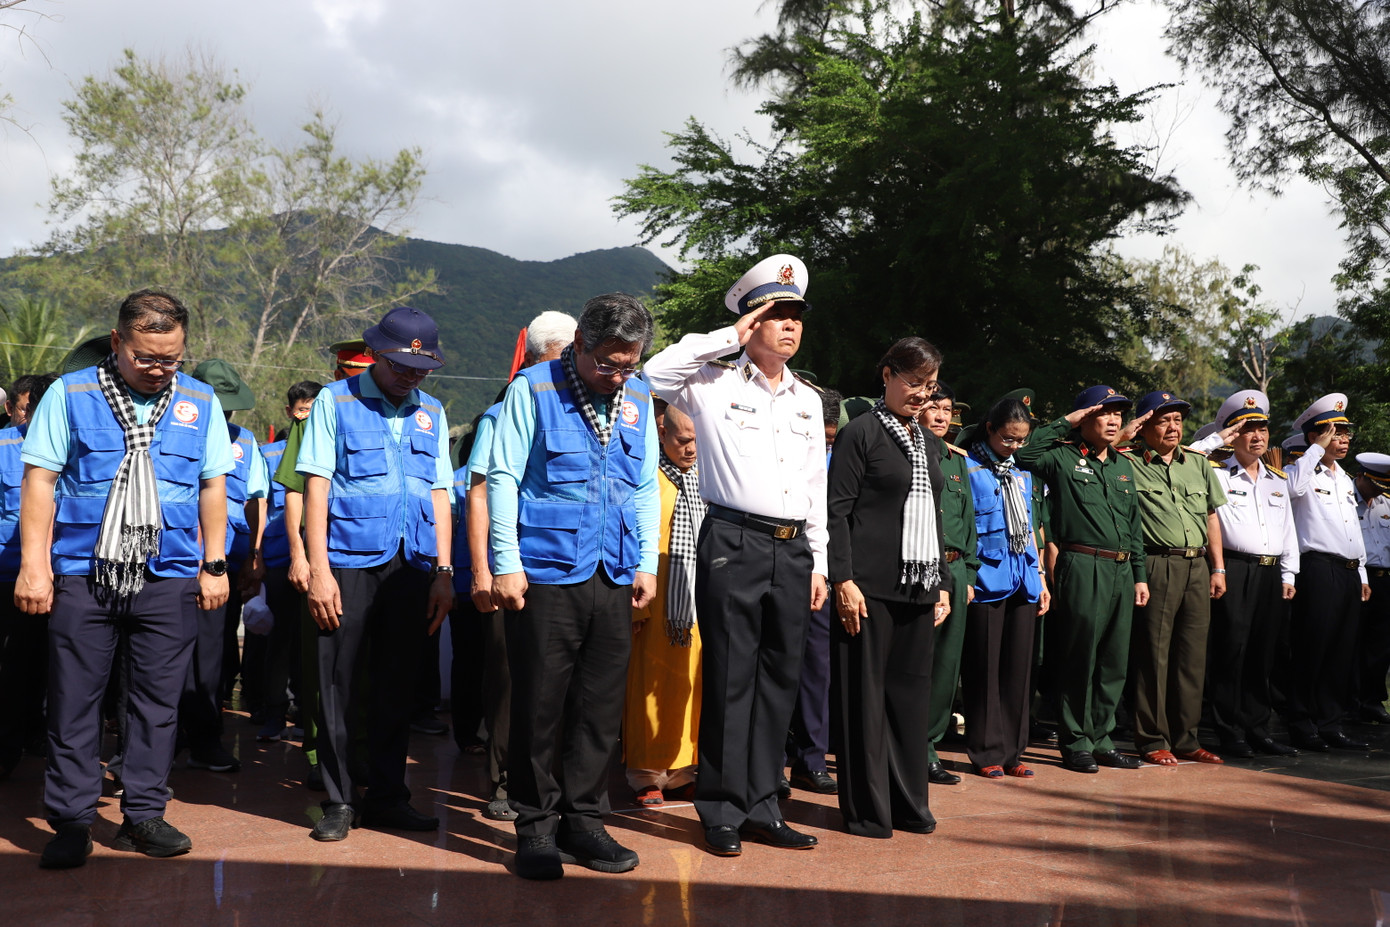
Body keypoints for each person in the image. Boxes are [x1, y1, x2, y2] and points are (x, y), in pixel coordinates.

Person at [19, 289, 233, 868]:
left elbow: (213, 484)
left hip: (167, 573)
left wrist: (214, 565)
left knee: (157, 702)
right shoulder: (71, 393)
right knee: (74, 701)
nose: (160, 369)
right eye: (146, 357)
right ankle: (70, 819)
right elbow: (40, 480)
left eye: (172, 357)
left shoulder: (200, 400)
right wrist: (34, 566)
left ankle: (143, 813)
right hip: (84, 572)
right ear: (117, 343)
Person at [644, 254, 828, 859]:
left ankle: (762, 804)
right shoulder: (712, 382)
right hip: (733, 542)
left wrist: (820, 561)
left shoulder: (808, 399)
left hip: (792, 548)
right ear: (752, 321)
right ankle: (721, 808)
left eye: (797, 315)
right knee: (729, 678)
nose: (790, 326)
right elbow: (654, 368)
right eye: (777, 314)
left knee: (778, 680)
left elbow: (814, 487)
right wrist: (730, 337)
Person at [489, 294, 657, 880]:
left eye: (628, 364)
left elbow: (643, 487)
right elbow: (503, 476)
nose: (617, 376)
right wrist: (505, 563)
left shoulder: (637, 395)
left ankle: (585, 822)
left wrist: (647, 563)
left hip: (612, 570)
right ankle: (535, 828)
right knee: (539, 705)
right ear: (580, 344)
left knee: (599, 708)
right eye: (607, 364)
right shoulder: (532, 389)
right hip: (544, 571)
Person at [298, 306, 455, 841]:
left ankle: (389, 796)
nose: (410, 377)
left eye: (421, 369)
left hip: (413, 566)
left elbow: (440, 493)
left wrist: (444, 570)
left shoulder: (431, 410)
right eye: (400, 366)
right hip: (347, 563)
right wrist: (319, 569)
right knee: (340, 685)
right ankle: (341, 799)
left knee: (397, 687)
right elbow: (315, 486)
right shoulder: (334, 401)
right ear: (377, 355)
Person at [828, 337, 949, 837]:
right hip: (870, 587)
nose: (922, 395)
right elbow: (836, 511)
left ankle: (907, 802)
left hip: (918, 590)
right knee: (865, 700)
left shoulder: (929, 442)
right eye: (914, 383)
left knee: (909, 700)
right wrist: (843, 580)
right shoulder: (861, 433)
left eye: (930, 386)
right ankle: (867, 808)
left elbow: (936, 515)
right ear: (887, 376)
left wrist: (940, 583)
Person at [460, 309, 575, 822]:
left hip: (564, 568)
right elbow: (481, 488)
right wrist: (484, 572)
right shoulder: (510, 405)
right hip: (516, 567)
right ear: (540, 356)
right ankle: (505, 781)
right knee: (510, 677)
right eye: (566, 352)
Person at [1014, 386, 1149, 773]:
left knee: (1113, 660)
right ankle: (1075, 741)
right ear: (1084, 417)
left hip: (1121, 569)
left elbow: (1133, 524)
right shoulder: (1060, 456)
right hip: (1082, 563)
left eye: (1118, 415)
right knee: (1080, 656)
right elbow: (1024, 454)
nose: (1113, 421)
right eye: (1104, 413)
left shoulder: (1122, 464)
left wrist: (1139, 574)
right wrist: (1064, 422)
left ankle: (1101, 738)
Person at [1122, 391, 1228, 766]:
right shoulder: (1129, 462)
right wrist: (1125, 435)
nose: (1173, 427)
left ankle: (1187, 737)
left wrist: (1218, 567)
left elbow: (1211, 516)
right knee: (1153, 655)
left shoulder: (1197, 464)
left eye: (1178, 420)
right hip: (1156, 563)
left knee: (1191, 656)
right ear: (1144, 426)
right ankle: (1152, 739)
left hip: (1197, 566)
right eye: (1164, 420)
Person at [179, 359, 268, 773]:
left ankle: (205, 740)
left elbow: (256, 500)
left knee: (212, 657)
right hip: (172, 559)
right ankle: (151, 746)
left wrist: (254, 556)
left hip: (221, 566)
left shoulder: (245, 442)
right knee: (158, 655)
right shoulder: (175, 426)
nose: (226, 416)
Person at [1203, 390, 1300, 758]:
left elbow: (1286, 529)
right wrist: (1217, 440)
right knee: (1231, 650)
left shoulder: (1277, 479)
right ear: (1232, 434)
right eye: (1247, 430)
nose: (1258, 437)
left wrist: (1290, 574)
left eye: (1262, 429)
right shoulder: (1215, 472)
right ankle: (1228, 729)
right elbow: (1190, 455)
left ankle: (1257, 727)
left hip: (1271, 571)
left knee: (1263, 652)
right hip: (1235, 568)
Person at [961, 397, 1049, 778]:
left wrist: (1042, 577)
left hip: (1024, 577)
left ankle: (1014, 751)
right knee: (984, 667)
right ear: (990, 429)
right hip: (986, 578)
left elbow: (1031, 528)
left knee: (1019, 668)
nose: (1014, 447)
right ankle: (987, 751)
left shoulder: (1023, 475)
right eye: (1008, 439)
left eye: (1021, 441)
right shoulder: (967, 467)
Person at [624, 400, 704, 804]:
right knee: (647, 688)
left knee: (691, 687)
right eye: (684, 440)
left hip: (695, 603)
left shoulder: (703, 479)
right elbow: (639, 542)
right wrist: (640, 606)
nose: (691, 449)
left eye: (696, 441)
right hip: (657, 603)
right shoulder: (649, 478)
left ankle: (681, 770)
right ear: (662, 434)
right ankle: (646, 775)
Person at [1284, 393, 1371, 752]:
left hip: (1349, 571)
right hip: (1318, 568)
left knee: (1341, 650)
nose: (1344, 439)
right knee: (1313, 648)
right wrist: (1315, 452)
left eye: (1346, 433)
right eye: (1335, 433)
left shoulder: (1345, 479)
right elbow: (1293, 489)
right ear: (1315, 437)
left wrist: (1362, 573)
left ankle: (1330, 723)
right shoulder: (1300, 469)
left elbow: (1353, 528)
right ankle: (1302, 723)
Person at [783, 385, 845, 797]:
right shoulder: (782, 446)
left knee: (816, 671)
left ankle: (811, 760)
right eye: (819, 438)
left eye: (829, 439)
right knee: (773, 668)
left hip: (821, 570)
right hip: (778, 561)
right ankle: (770, 766)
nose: (823, 446)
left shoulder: (845, 457)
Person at [918, 383, 979, 786]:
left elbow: (970, 523)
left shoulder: (958, 462)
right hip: (920, 570)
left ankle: (930, 746)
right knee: (916, 662)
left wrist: (969, 574)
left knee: (945, 668)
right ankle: (910, 747)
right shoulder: (910, 452)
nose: (941, 416)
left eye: (947, 410)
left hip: (955, 572)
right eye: (934, 408)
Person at [0, 374, 57, 780]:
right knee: (13, 665)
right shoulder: (4, 449)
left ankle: (41, 735)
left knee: (55, 666)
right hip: (11, 577)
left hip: (69, 577)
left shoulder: (80, 447)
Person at [256, 380, 320, 742]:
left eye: (311, 409)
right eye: (300, 410)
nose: (305, 416)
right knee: (279, 642)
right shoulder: (270, 455)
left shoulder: (329, 446)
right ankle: (273, 713)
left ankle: (307, 718)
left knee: (310, 645)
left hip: (321, 558)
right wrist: (258, 557)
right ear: (289, 412)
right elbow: (261, 507)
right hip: (283, 559)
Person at [1354, 453, 1390, 724]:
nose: (1379, 489)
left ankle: (1371, 700)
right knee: (1349, 641)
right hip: (1356, 577)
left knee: (1381, 644)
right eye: (1375, 483)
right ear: (1361, 477)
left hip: (1385, 578)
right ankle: (1345, 700)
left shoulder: (1386, 503)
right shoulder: (1344, 500)